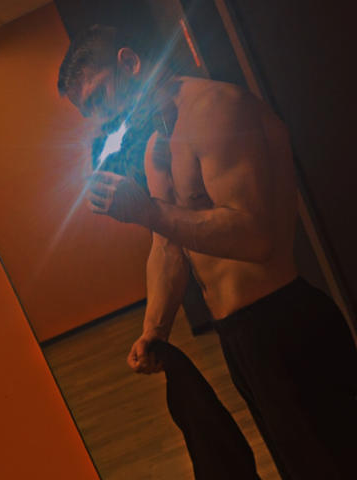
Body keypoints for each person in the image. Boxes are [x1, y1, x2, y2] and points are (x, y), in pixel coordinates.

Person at [58, 25, 357, 479]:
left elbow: (256, 237)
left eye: (100, 97)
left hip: (287, 323)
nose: (103, 117)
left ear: (130, 63)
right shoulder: (157, 147)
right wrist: (154, 329)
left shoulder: (217, 109)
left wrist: (147, 211)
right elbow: (168, 245)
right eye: (90, 111)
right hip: (240, 340)